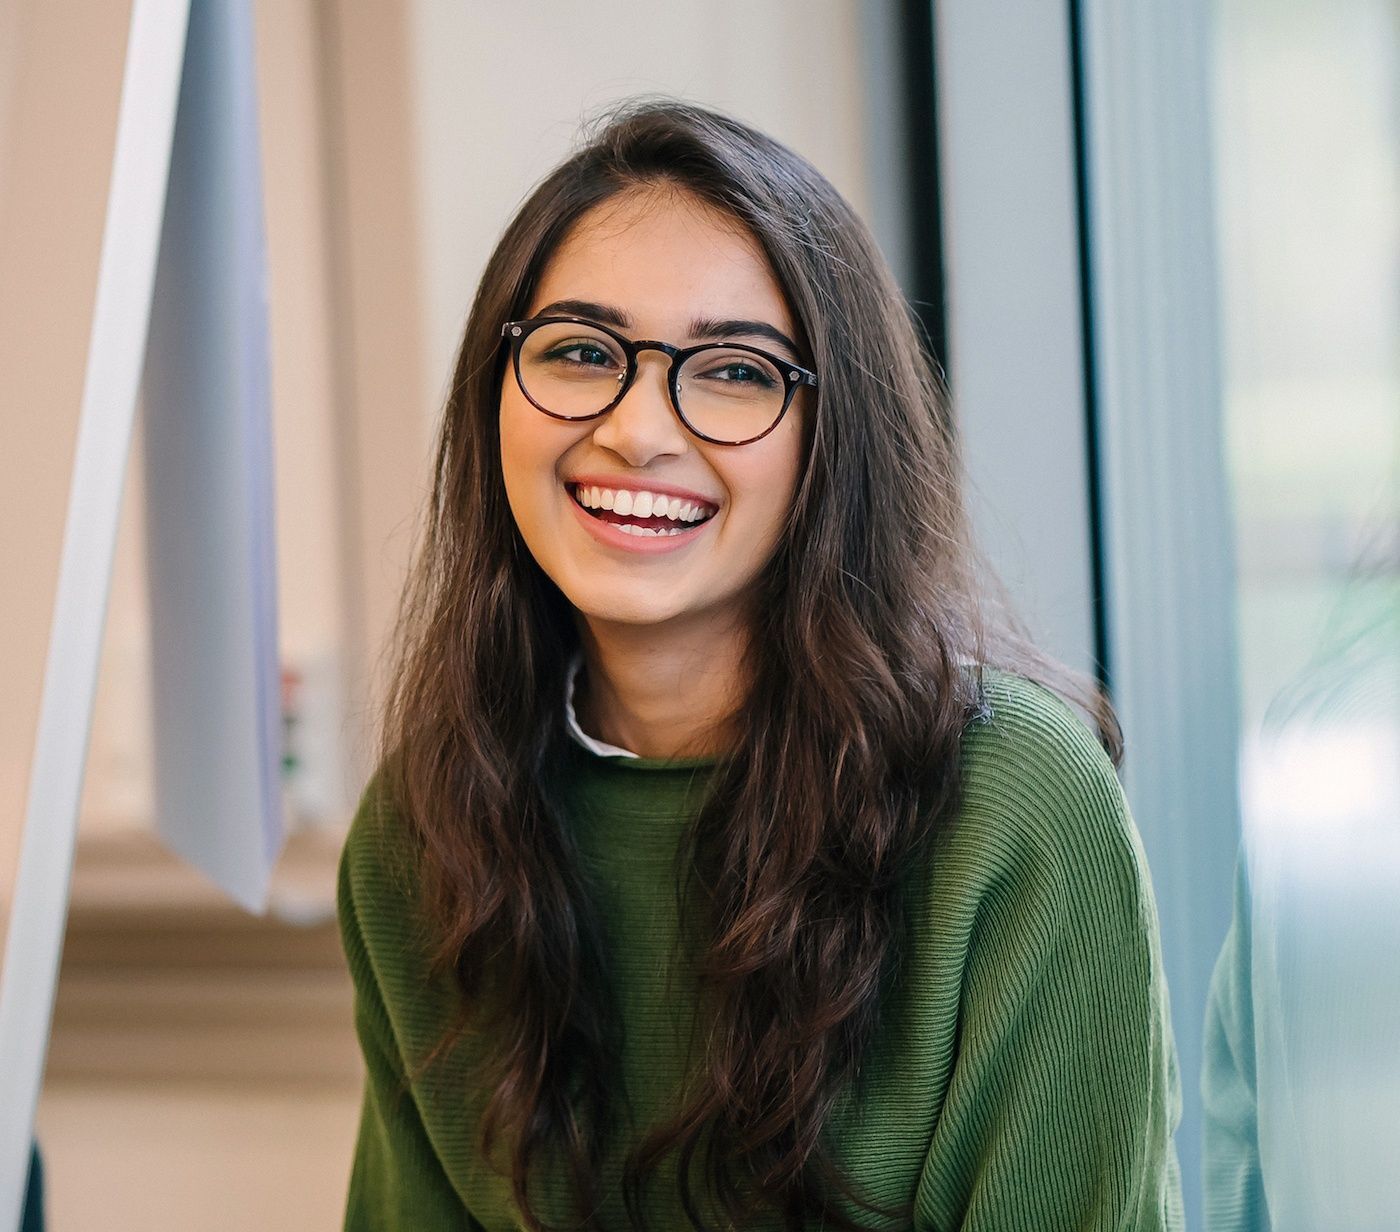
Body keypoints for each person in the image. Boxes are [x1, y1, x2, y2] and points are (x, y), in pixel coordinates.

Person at [337, 98, 1184, 1231]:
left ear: (836, 439)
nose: (637, 427)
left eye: (732, 370)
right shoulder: (425, 827)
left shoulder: (1017, 809)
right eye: (581, 352)